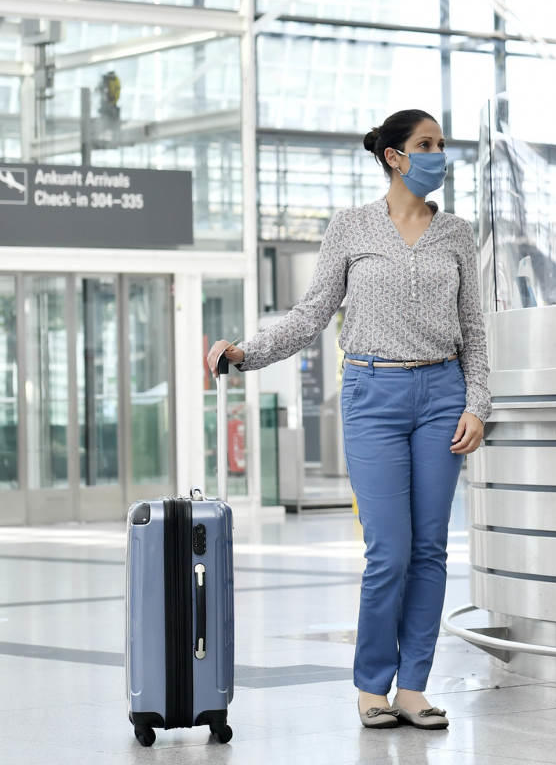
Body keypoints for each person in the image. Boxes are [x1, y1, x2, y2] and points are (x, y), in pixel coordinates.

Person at [205, 109, 491, 731]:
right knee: (388, 550)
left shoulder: (458, 234)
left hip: (442, 392)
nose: (439, 153)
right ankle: (371, 686)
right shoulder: (351, 228)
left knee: (429, 550)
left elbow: (475, 330)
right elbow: (311, 315)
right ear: (394, 156)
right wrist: (246, 353)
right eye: (426, 144)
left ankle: (413, 686)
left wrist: (477, 404)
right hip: (372, 394)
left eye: (441, 144)